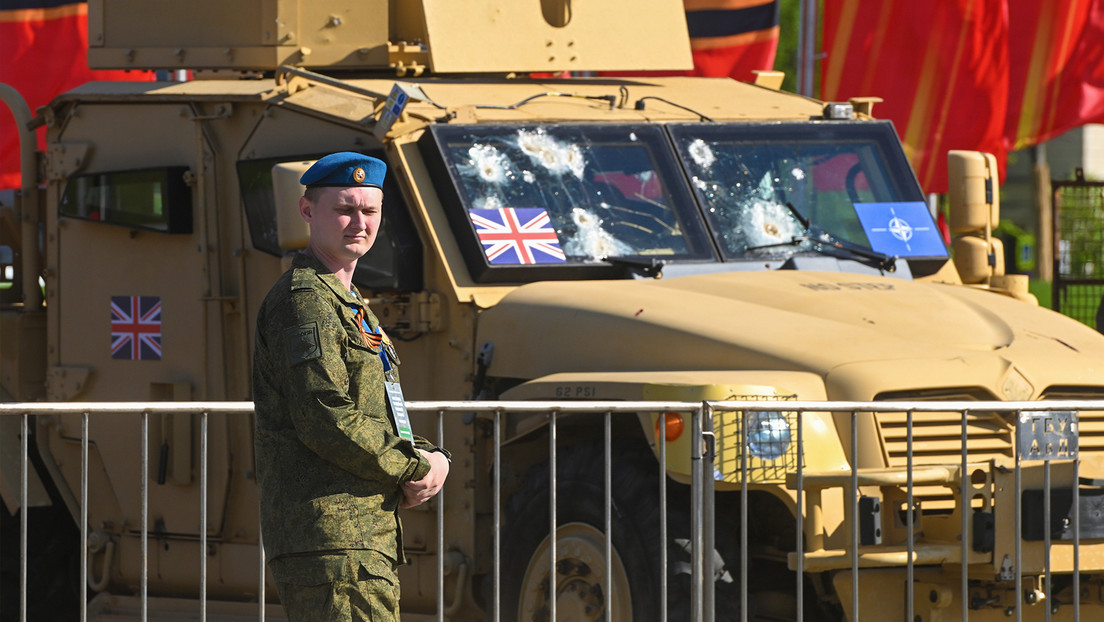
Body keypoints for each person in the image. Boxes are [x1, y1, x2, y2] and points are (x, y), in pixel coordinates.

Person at [252, 152, 450, 621]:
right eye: (344, 209)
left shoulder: (347, 301)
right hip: (335, 540)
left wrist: (431, 455)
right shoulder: (306, 300)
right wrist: (412, 466)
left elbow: (372, 410)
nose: (359, 223)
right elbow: (324, 414)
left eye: (370, 210)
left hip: (359, 537)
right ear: (307, 210)